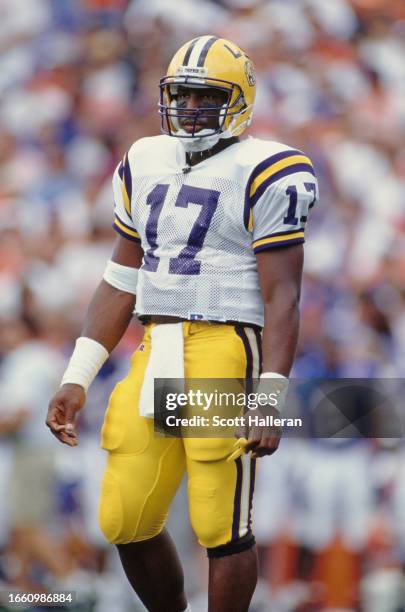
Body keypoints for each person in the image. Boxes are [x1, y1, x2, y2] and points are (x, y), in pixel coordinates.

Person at [47, 35, 318, 612]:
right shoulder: (143, 158)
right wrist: (78, 375)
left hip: (226, 344)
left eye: (205, 96)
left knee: (220, 521)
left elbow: (284, 294)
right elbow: (123, 277)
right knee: (126, 516)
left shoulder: (270, 167)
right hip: (158, 344)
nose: (190, 108)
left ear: (239, 100)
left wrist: (270, 395)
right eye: (182, 95)